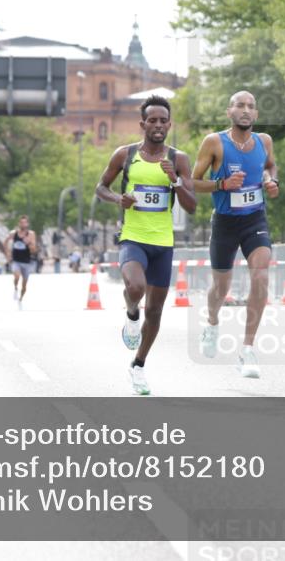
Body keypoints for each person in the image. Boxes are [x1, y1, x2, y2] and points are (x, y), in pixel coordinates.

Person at [95, 94, 196, 394]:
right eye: (152, 120)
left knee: (155, 311)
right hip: (133, 238)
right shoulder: (125, 155)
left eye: (163, 121)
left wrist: (176, 181)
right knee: (136, 289)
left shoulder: (179, 159)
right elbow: (101, 187)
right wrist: (118, 198)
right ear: (142, 124)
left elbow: (191, 206)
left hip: (163, 242)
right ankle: (130, 314)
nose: (158, 125)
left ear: (169, 124)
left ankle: (138, 365)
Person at [191, 90, 279, 379]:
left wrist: (271, 180)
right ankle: (212, 323)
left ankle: (247, 349)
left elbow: (269, 166)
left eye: (251, 106)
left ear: (256, 115)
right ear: (229, 112)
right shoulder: (215, 142)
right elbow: (193, 182)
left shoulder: (264, 141)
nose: (245, 110)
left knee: (262, 273)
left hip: (255, 218)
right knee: (221, 288)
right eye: (239, 105)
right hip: (225, 222)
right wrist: (222, 185)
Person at [5, 216, 37, 309]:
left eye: (25, 222)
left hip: (27, 261)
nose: (23, 224)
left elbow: (34, 250)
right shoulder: (14, 233)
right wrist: (7, 253)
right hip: (16, 260)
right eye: (21, 222)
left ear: (27, 224)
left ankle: (21, 298)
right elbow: (5, 242)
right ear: (19, 223)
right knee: (17, 276)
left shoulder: (31, 234)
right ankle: (15, 288)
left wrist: (29, 243)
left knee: (24, 285)